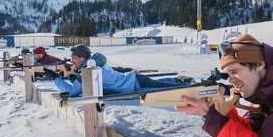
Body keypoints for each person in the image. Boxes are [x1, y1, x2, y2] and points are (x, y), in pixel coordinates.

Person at [51, 44, 191, 97]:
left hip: (133, 82)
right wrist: (70, 75)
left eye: (73, 58)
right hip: (134, 79)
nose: (71, 61)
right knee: (158, 84)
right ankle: (180, 81)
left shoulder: (90, 70)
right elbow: (82, 84)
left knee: (168, 89)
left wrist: (54, 78)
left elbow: (71, 92)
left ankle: (190, 87)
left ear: (82, 58)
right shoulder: (91, 65)